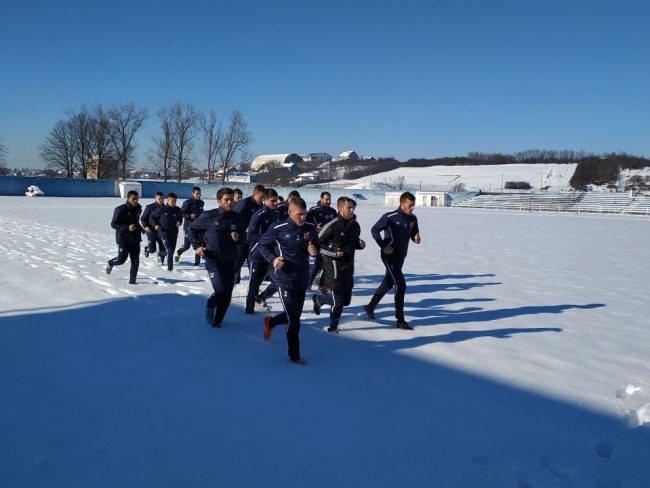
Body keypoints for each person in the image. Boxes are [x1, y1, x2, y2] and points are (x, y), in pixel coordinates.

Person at [258, 197, 319, 365]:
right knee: (294, 320)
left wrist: (313, 251)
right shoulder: (278, 228)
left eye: (305, 214)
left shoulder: (310, 227)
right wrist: (273, 259)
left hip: (302, 278)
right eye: (299, 214)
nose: (303, 218)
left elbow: (316, 247)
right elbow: (262, 245)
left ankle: (270, 322)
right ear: (290, 212)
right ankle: (294, 355)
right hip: (284, 278)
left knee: (294, 315)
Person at [364, 191, 421, 330]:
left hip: (401, 256)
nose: (413, 208)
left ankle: (370, 306)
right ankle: (400, 320)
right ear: (402, 204)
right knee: (401, 285)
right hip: (389, 256)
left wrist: (416, 238)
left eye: (413, 205)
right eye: (410, 205)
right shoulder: (389, 217)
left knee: (388, 282)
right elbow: (374, 230)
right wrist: (383, 246)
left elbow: (414, 233)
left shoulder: (413, 218)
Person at [190, 188, 246, 327]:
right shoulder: (209, 215)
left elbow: (244, 238)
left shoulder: (237, 217)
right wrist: (197, 246)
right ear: (219, 201)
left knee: (227, 294)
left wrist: (238, 237)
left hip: (230, 259)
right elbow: (192, 228)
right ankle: (211, 304)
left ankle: (217, 321)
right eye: (226, 200)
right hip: (213, 258)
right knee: (221, 291)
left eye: (231, 199)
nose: (230, 202)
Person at [312, 197, 365, 332]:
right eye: (349, 208)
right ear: (340, 208)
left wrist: (360, 245)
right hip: (333, 268)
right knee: (338, 302)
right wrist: (333, 253)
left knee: (346, 301)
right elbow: (317, 245)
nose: (352, 210)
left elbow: (354, 242)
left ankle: (320, 300)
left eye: (353, 207)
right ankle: (333, 327)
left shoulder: (355, 225)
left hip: (348, 267)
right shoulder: (332, 225)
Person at [245, 188, 280, 313]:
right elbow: (250, 235)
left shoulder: (277, 214)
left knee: (278, 281)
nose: (275, 203)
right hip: (257, 254)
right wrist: (265, 238)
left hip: (271, 255)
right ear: (265, 200)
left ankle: (260, 298)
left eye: (276, 201)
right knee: (254, 283)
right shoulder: (258, 215)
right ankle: (249, 307)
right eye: (272, 201)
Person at [106, 190, 144, 284]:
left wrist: (141, 229)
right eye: (133, 199)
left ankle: (132, 282)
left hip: (135, 239)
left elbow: (136, 222)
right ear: (128, 198)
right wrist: (127, 227)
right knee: (121, 260)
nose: (136, 201)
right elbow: (113, 224)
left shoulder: (138, 209)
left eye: (137, 199)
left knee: (135, 261)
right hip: (123, 239)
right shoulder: (120, 209)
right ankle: (111, 263)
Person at [233, 184, 266, 283]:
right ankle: (233, 279)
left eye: (263, 197)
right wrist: (242, 229)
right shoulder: (244, 204)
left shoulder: (261, 205)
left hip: (253, 239)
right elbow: (233, 218)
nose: (262, 199)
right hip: (241, 238)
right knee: (238, 260)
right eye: (260, 197)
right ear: (254, 194)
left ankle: (254, 281)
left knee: (252, 260)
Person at [306, 191, 338, 286]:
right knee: (317, 263)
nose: (328, 201)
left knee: (328, 262)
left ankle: (322, 283)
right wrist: (315, 228)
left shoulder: (332, 211)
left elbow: (336, 225)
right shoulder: (313, 211)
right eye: (326, 199)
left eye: (329, 200)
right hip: (316, 240)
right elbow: (306, 225)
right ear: (321, 199)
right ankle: (308, 283)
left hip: (328, 241)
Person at [150, 193, 184, 272]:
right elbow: (152, 217)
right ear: (167, 200)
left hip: (174, 234)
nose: (174, 203)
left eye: (175, 201)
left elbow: (180, 218)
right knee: (169, 251)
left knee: (170, 252)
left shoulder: (178, 210)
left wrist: (179, 222)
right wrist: (155, 225)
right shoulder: (162, 209)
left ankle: (160, 254)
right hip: (164, 233)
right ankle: (170, 269)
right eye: (172, 201)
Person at [175, 186, 204, 265]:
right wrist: (189, 216)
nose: (198, 195)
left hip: (198, 227)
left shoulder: (201, 203)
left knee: (198, 245)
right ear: (193, 193)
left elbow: (201, 212)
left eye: (200, 194)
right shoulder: (187, 202)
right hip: (189, 227)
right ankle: (179, 252)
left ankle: (197, 263)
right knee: (187, 246)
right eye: (197, 194)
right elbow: (181, 213)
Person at [140, 191, 166, 260]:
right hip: (151, 231)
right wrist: (146, 227)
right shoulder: (150, 207)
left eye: (162, 198)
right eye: (159, 199)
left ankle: (161, 258)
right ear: (155, 199)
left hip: (162, 231)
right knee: (152, 250)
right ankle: (147, 248)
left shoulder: (166, 208)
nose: (161, 200)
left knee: (163, 248)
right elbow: (143, 218)